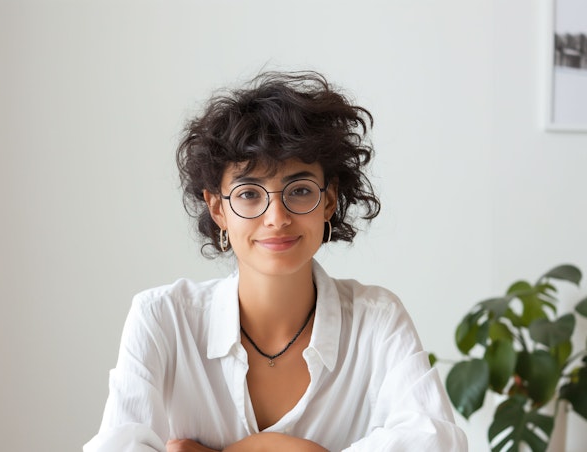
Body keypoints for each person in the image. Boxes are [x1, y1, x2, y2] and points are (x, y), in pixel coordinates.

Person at [84, 71, 467, 451]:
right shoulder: (163, 319)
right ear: (218, 208)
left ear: (329, 201)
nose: (277, 217)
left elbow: (437, 442)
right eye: (250, 193)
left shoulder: (376, 319)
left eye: (299, 190)